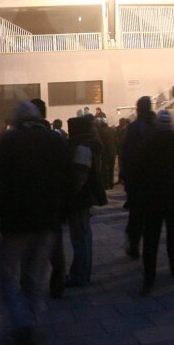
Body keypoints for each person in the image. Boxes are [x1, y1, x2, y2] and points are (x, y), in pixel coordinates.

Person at [0, 101, 75, 345]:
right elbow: (69, 182)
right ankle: (30, 320)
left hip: (15, 222)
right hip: (47, 222)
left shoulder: (9, 143)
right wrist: (63, 214)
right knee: (34, 277)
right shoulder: (55, 142)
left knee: (7, 275)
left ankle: (22, 322)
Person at [129, 110, 174, 295]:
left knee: (151, 239)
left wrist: (134, 199)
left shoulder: (148, 144)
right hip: (173, 198)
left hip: (152, 199)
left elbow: (136, 174)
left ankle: (149, 279)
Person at [64, 115, 107, 288]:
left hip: (80, 198)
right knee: (84, 234)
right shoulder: (88, 145)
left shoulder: (81, 148)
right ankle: (84, 271)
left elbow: (78, 177)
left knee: (79, 236)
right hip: (85, 196)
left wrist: (69, 196)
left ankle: (79, 274)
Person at [121, 96, 156, 259]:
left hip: (138, 178)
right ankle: (149, 247)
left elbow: (127, 153)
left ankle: (134, 245)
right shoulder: (157, 126)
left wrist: (126, 176)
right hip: (154, 178)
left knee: (136, 215)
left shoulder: (135, 128)